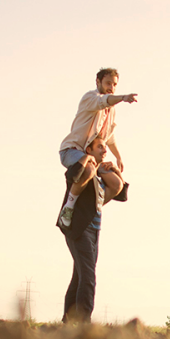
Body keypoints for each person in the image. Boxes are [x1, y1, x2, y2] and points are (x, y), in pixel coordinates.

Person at [58, 68, 136, 228]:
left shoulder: (111, 111)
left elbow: (109, 137)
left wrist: (118, 156)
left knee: (117, 184)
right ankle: (69, 207)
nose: (111, 87)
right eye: (108, 83)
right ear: (98, 82)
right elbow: (103, 101)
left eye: (114, 84)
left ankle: (91, 210)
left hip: (93, 158)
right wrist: (122, 98)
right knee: (88, 169)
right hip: (72, 151)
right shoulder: (90, 98)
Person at [57, 136, 123, 323]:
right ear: (89, 150)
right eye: (100, 147)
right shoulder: (84, 172)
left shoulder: (99, 177)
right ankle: (83, 321)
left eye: (105, 147)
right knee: (88, 276)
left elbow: (121, 192)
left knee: (79, 275)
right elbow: (72, 175)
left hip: (94, 231)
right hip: (78, 229)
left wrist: (115, 169)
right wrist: (86, 160)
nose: (105, 150)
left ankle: (69, 320)